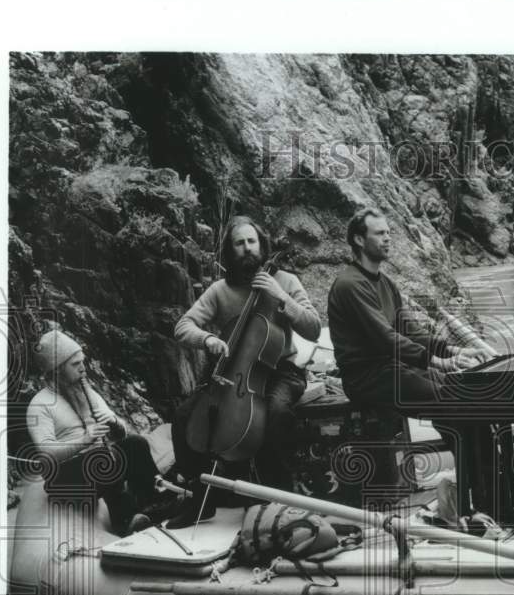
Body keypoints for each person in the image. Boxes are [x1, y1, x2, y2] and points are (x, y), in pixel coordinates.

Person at [167, 215, 322, 528]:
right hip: (233, 372)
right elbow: (182, 326)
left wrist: (281, 298)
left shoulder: (286, 281)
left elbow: (314, 328)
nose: (247, 248)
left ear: (261, 245)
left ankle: (282, 499)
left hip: (281, 370)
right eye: (239, 243)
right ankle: (201, 500)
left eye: (251, 241)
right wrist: (208, 338)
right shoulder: (220, 290)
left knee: (276, 413)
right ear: (230, 251)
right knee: (184, 417)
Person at [327, 208, 484, 500]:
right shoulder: (350, 284)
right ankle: (472, 493)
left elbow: (411, 330)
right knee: (451, 402)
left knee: (461, 397)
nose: (388, 239)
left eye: (389, 232)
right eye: (380, 233)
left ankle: (478, 486)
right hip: (367, 378)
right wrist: (436, 360)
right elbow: (386, 338)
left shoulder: (386, 284)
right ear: (359, 240)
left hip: (392, 369)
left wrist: (452, 348)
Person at [26, 329, 159, 536]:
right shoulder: (40, 404)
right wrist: (85, 440)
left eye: (83, 361)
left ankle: (150, 505)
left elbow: (121, 433)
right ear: (57, 370)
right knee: (102, 457)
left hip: (98, 465)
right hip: (65, 479)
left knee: (136, 444)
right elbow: (46, 453)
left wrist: (115, 423)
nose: (83, 369)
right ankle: (124, 520)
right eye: (75, 364)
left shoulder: (87, 392)